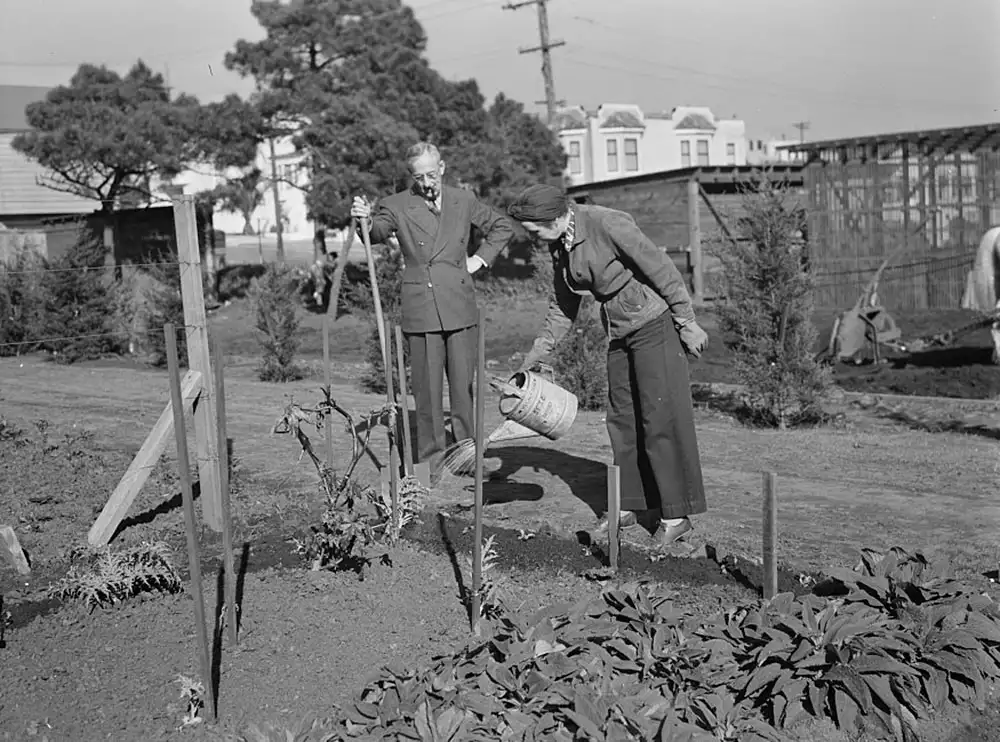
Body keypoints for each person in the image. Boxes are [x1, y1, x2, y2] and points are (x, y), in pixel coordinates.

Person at [509, 184, 709, 546]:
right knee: (622, 420)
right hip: (620, 330)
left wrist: (686, 319)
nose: (531, 234)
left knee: (659, 419)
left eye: (533, 227)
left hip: (655, 324)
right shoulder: (561, 245)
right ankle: (627, 506)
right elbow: (562, 305)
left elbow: (660, 267)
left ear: (553, 216)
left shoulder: (606, 223)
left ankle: (676, 515)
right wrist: (538, 354)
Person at [350, 142, 514, 477]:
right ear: (411, 176)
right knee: (425, 391)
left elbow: (502, 226)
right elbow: (376, 233)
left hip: (459, 303)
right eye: (419, 176)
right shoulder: (396, 204)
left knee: (463, 388)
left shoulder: (463, 200)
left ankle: (467, 455)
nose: (427, 181)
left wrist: (478, 260)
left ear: (442, 167)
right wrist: (363, 220)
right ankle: (428, 462)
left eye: (431, 173)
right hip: (422, 307)